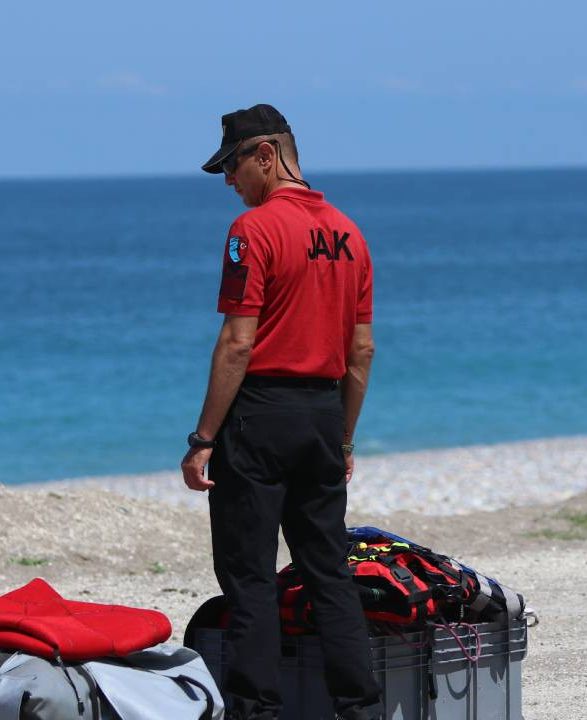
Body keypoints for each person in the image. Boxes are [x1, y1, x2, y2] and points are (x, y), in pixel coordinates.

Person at [180, 103, 383, 720]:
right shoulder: (351, 234)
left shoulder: (254, 232)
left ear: (266, 155)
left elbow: (238, 343)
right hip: (323, 415)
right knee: (329, 572)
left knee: (249, 581)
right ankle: (360, 710)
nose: (228, 181)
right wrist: (344, 440)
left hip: (261, 415)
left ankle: (257, 712)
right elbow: (362, 351)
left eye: (233, 165)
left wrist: (202, 438)